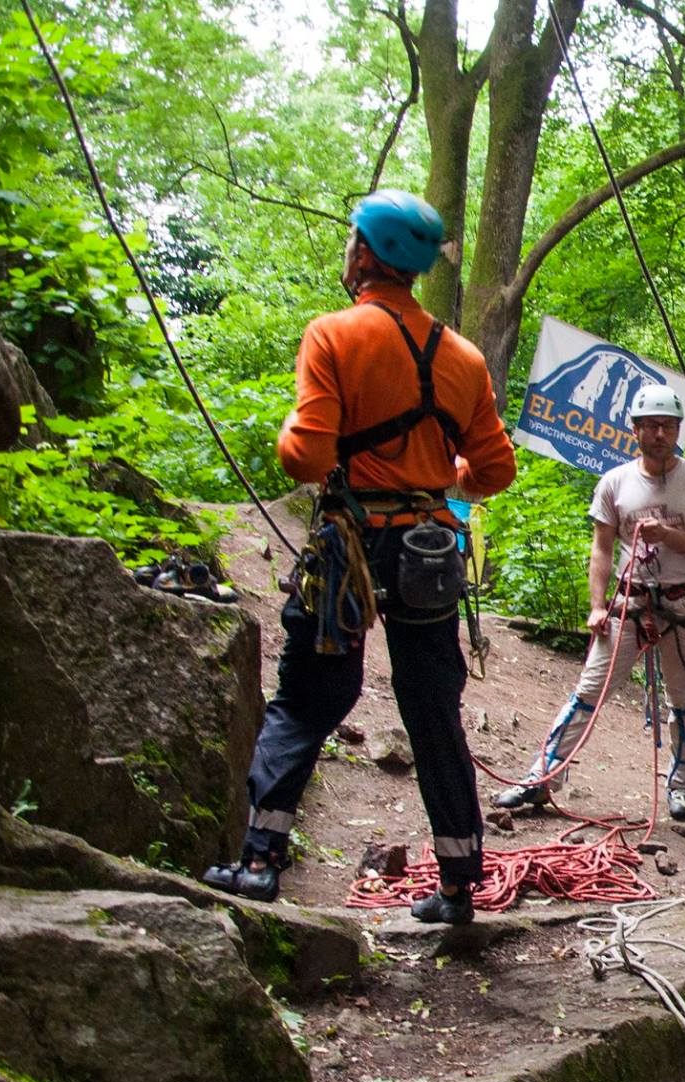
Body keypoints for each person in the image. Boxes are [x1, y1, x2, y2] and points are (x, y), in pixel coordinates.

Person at [201, 190, 516, 923]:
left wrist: (301, 437)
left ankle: (258, 862)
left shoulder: (334, 336)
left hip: (350, 549)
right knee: (433, 708)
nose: (347, 251)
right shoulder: (463, 357)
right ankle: (460, 883)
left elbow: (304, 458)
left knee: (309, 698)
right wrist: (442, 483)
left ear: (368, 255)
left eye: (352, 241)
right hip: (430, 549)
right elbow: (493, 472)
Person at [494, 383, 685, 821]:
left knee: (684, 696)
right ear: (635, 429)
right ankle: (542, 778)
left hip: (683, 604)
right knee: (589, 691)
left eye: (669, 425)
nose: (661, 434)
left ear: (678, 429)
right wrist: (597, 605)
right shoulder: (615, 482)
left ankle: (683, 786)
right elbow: (601, 548)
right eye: (652, 426)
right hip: (629, 603)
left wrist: (671, 536)